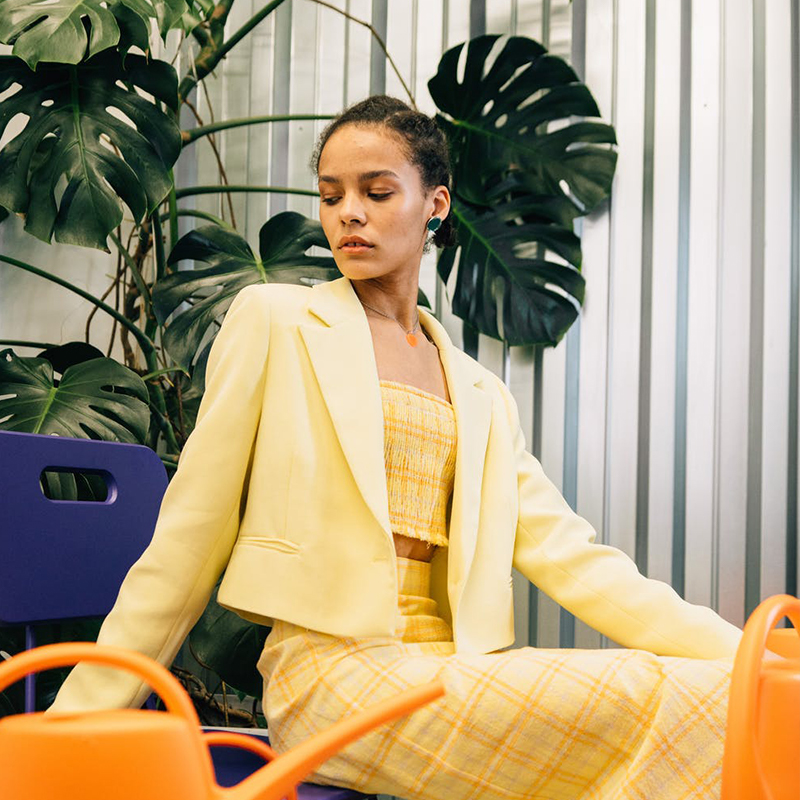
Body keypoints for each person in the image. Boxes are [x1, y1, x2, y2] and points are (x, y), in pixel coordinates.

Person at [51, 96, 741, 799]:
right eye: (331, 196)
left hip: (450, 667)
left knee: (723, 691)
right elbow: (187, 541)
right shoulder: (276, 323)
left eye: (377, 193)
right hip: (331, 679)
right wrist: (70, 729)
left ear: (435, 206)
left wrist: (745, 654)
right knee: (645, 689)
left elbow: (573, 558)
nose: (349, 213)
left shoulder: (479, 391)